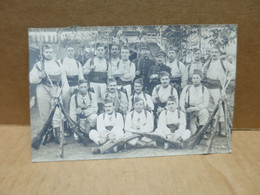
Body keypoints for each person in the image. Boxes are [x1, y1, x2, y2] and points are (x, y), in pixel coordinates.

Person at [29, 44, 69, 144]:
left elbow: (64, 79)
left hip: (55, 89)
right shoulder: (38, 64)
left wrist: (64, 91)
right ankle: (47, 134)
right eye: (47, 52)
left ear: (53, 53)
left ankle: (58, 136)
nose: (49, 54)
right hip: (43, 89)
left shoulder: (59, 64)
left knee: (57, 112)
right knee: (45, 113)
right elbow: (31, 79)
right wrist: (39, 75)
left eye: (50, 52)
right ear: (43, 53)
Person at [202, 46, 236, 136]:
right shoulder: (207, 63)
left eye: (216, 52)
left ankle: (222, 129)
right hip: (208, 87)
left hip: (218, 87)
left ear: (219, 54)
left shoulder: (224, 63)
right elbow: (203, 73)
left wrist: (227, 78)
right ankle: (212, 128)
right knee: (209, 108)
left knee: (220, 108)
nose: (214, 54)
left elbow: (233, 70)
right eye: (212, 52)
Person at [59, 46, 84, 136]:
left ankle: (76, 127)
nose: (70, 52)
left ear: (74, 51)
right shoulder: (61, 62)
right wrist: (66, 87)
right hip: (65, 87)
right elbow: (62, 76)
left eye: (72, 50)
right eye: (68, 50)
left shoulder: (77, 63)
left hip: (76, 86)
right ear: (66, 51)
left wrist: (80, 87)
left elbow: (81, 77)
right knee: (66, 107)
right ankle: (66, 128)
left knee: (76, 105)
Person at [180, 69, 209, 135]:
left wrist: (195, 108)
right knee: (192, 133)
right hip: (188, 110)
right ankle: (183, 131)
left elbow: (205, 103)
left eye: (197, 78)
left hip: (197, 110)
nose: (195, 80)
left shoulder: (204, 89)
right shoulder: (187, 88)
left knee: (205, 112)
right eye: (193, 78)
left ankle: (202, 131)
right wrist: (183, 109)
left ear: (201, 79)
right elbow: (181, 100)